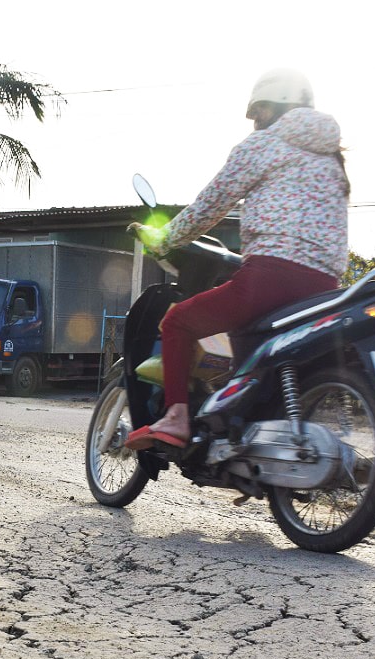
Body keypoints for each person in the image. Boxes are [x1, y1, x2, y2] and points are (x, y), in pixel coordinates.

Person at [125, 68, 350, 449]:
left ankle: (177, 418)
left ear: (278, 107)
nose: (254, 121)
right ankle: (249, 439)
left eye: (258, 111)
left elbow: (210, 205)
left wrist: (165, 239)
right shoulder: (332, 160)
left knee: (178, 322)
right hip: (326, 286)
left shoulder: (262, 146)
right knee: (252, 352)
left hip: (272, 275)